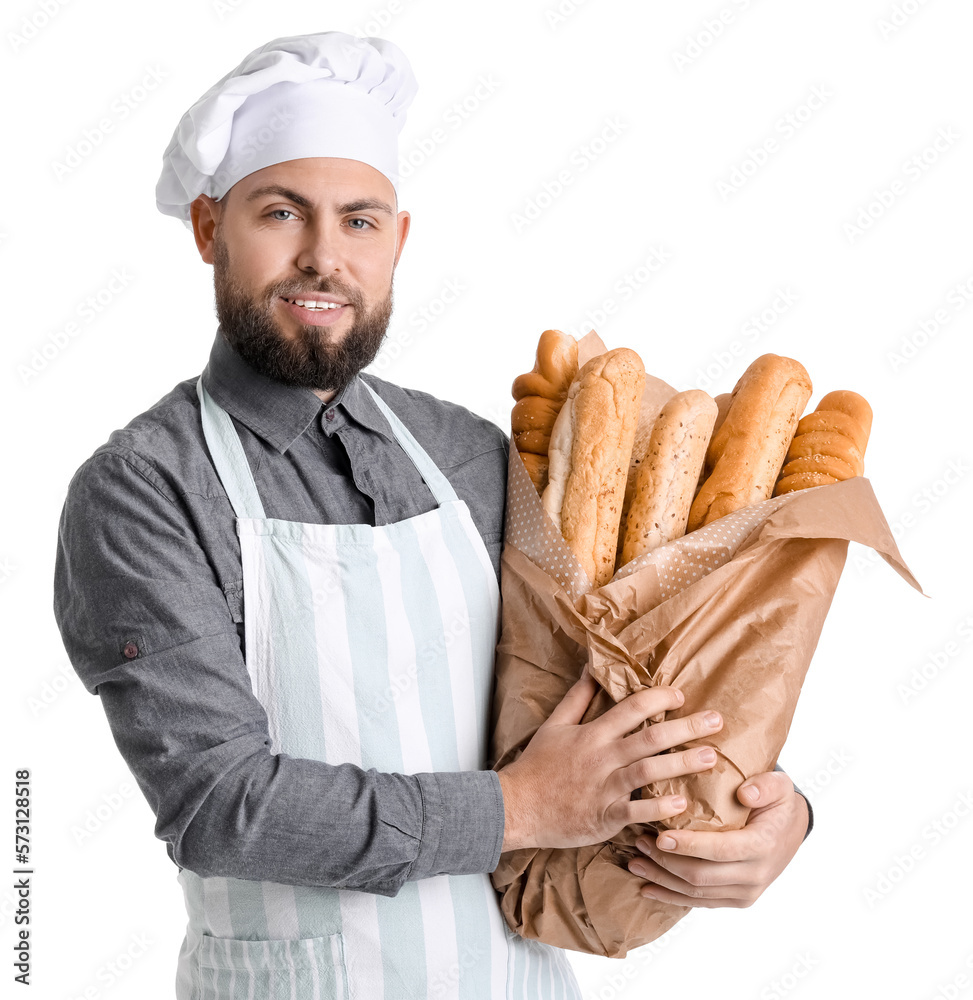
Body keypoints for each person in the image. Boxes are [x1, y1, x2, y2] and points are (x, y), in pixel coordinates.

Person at [53, 31, 811, 999]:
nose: (324, 258)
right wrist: (518, 808)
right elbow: (222, 804)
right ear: (209, 228)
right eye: (281, 213)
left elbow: (628, 670)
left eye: (359, 221)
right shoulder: (143, 490)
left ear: (398, 240)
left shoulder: (472, 457)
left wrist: (774, 810)